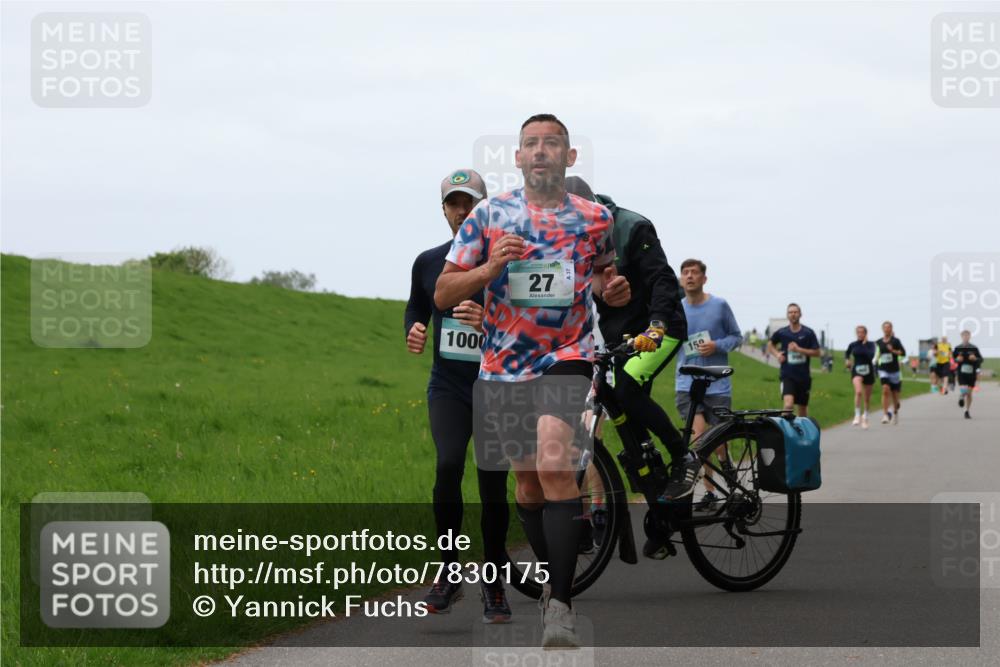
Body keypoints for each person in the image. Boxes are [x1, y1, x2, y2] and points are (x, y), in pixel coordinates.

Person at [435, 114, 627, 648]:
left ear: (569, 157)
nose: (541, 151)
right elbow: (444, 295)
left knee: (553, 462)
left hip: (568, 355)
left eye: (553, 143)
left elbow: (604, 276)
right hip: (503, 365)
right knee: (527, 485)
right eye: (530, 144)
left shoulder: (595, 218)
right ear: (517, 158)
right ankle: (554, 579)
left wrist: (613, 292)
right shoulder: (489, 215)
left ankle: (561, 607)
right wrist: (488, 269)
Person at [563, 176, 699, 558]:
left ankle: (683, 455)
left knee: (625, 388)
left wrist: (657, 325)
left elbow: (662, 281)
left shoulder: (631, 226)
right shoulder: (568, 238)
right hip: (618, 336)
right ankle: (662, 514)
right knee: (628, 430)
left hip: (661, 327)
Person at [405, 169, 512, 621]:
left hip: (496, 385)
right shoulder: (429, 261)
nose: (462, 211)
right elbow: (417, 304)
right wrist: (414, 326)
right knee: (448, 465)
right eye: (454, 203)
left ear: (485, 208)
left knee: (492, 485)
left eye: (470, 203)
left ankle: (493, 581)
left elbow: (525, 326)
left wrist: (487, 319)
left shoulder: (506, 260)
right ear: (444, 210)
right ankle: (449, 572)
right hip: (448, 386)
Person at [673, 259, 742, 511]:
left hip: (717, 385)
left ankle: (732, 483)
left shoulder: (719, 306)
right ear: (681, 279)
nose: (689, 276)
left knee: (720, 443)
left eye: (694, 272)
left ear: (704, 278)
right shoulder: (676, 308)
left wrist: (717, 345)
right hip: (686, 383)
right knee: (699, 442)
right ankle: (711, 493)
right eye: (685, 272)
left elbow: (737, 337)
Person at [767, 304, 821, 416]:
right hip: (787, 375)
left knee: (802, 409)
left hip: (803, 376)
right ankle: (785, 432)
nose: (793, 314)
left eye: (795, 312)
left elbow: (817, 352)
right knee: (788, 405)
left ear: (800, 314)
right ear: (787, 315)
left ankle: (802, 432)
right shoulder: (782, 332)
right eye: (790, 312)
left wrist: (799, 349)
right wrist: (777, 355)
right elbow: (770, 345)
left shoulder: (808, 333)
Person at [844, 325, 876, 429]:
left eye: (862, 332)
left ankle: (865, 417)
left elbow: (870, 355)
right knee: (858, 392)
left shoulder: (871, 345)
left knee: (866, 398)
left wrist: (865, 344)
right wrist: (847, 360)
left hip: (869, 372)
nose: (860, 334)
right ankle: (857, 415)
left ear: (866, 334)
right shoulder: (853, 344)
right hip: (856, 371)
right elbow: (847, 353)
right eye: (858, 332)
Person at [875, 321, 906, 425]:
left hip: (894, 371)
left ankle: (895, 412)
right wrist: (874, 364)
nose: (887, 329)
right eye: (885, 327)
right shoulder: (878, 342)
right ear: (882, 329)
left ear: (891, 329)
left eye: (889, 327)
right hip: (883, 369)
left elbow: (903, 352)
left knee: (895, 396)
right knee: (885, 389)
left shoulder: (896, 341)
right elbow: (877, 355)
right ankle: (885, 414)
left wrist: (893, 351)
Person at [953, 330, 982, 419]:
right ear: (961, 337)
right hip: (961, 372)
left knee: (969, 393)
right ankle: (961, 397)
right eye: (964, 336)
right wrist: (957, 359)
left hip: (971, 373)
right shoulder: (957, 348)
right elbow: (953, 360)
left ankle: (966, 410)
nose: (966, 337)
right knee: (964, 389)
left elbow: (981, 359)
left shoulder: (974, 348)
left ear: (970, 337)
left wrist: (975, 359)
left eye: (967, 335)